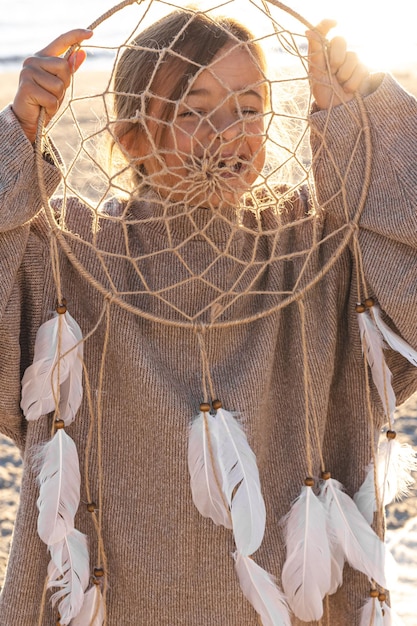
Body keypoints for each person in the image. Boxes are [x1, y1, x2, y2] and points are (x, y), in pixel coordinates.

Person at [0, 7, 416, 626]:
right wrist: (17, 136)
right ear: (132, 135)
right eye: (193, 109)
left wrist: (363, 117)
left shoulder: (321, 248)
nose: (228, 131)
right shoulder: (69, 256)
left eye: (249, 107)